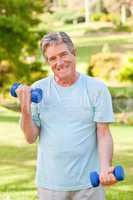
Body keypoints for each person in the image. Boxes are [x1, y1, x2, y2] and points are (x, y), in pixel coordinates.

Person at [16, 32, 117, 200]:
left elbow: (103, 133)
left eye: (63, 54)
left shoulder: (96, 89)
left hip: (88, 185)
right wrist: (25, 109)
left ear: (74, 53)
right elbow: (30, 137)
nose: (59, 62)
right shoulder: (38, 89)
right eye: (52, 58)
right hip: (50, 185)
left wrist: (105, 168)